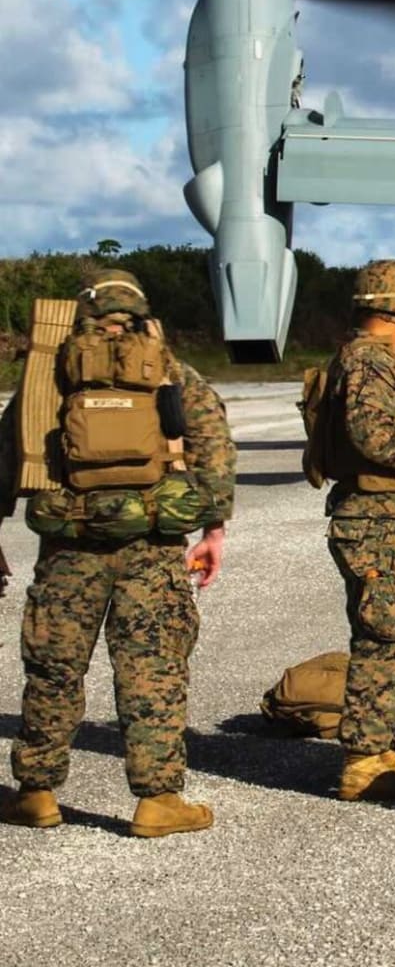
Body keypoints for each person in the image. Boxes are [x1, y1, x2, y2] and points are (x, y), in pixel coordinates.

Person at [0, 269, 233, 836]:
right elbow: (214, 454)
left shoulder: (47, 377)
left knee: (53, 669)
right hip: (151, 547)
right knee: (151, 671)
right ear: (141, 311)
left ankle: (37, 793)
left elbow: (10, 454)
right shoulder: (173, 371)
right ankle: (157, 800)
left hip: (67, 548)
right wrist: (213, 531)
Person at [305, 259, 395, 802]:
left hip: (384, 517)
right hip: (373, 519)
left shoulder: (369, 360)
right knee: (382, 638)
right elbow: (375, 439)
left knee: (393, 636)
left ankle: (383, 750)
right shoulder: (369, 363)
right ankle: (365, 760)